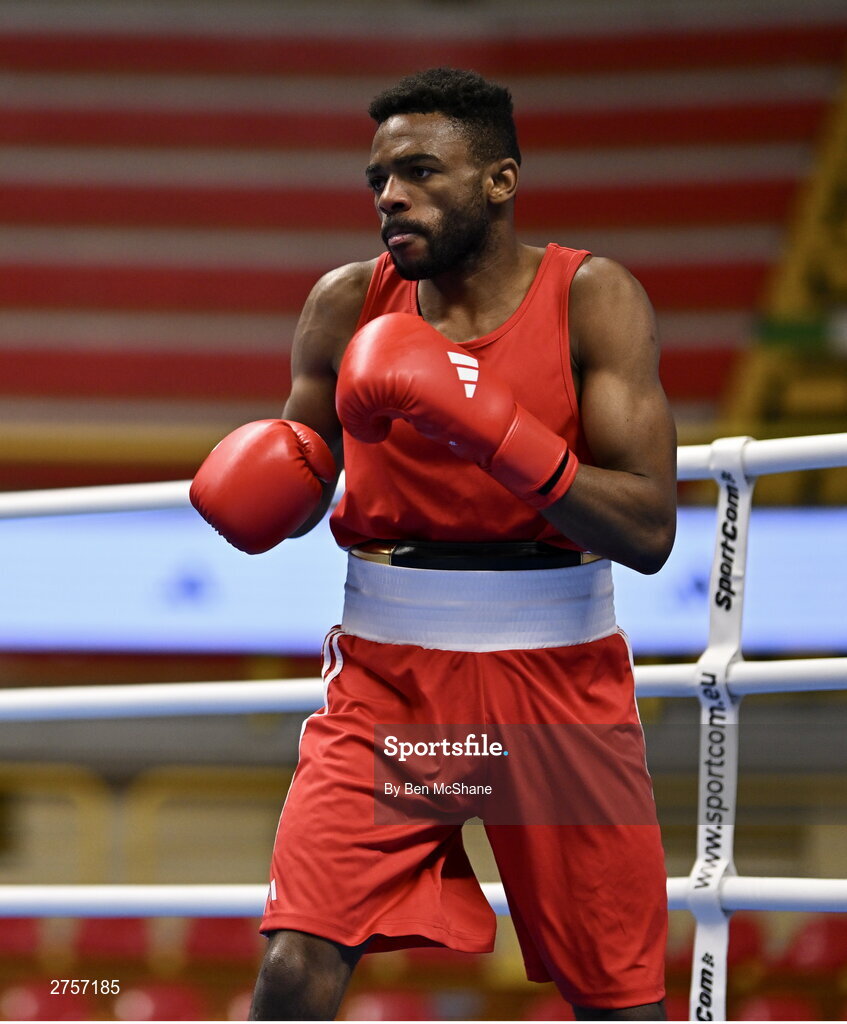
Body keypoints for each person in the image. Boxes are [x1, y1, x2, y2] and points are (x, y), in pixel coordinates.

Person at [190, 67, 677, 1021]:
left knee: (617, 1000)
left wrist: (497, 431)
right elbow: (299, 486)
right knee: (295, 968)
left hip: (557, 696)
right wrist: (265, 491)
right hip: (395, 693)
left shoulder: (593, 299)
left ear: (499, 180)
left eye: (419, 171)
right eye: (377, 179)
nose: (390, 198)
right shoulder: (344, 305)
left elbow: (651, 529)